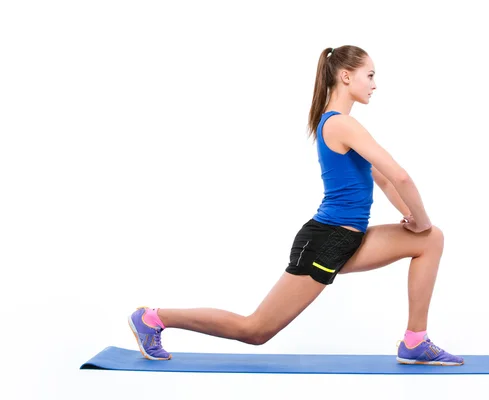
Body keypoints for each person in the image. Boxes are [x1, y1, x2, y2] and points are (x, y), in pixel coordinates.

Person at [128, 45, 464, 366]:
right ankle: (153, 319)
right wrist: (419, 220)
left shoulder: (342, 124)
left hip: (349, 238)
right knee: (255, 330)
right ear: (346, 76)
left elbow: (388, 182)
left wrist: (416, 220)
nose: (375, 84)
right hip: (325, 242)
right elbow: (402, 176)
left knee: (431, 239)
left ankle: (415, 341)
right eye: (370, 75)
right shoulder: (340, 123)